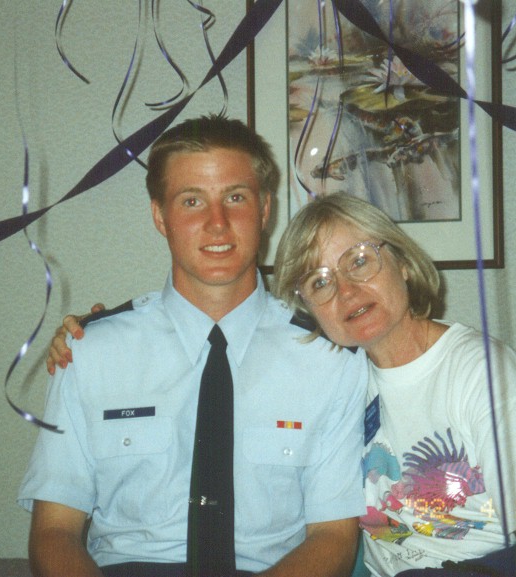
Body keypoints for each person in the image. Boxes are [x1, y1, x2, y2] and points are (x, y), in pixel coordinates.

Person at [47, 191, 516, 576]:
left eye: (360, 261)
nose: (346, 291)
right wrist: (88, 334)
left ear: (402, 262)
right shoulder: (340, 374)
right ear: (309, 309)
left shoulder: (484, 378)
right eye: (320, 282)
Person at [18, 116, 367, 577]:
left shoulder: (328, 358)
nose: (217, 223)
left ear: (265, 209)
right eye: (191, 201)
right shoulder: (90, 352)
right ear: (160, 216)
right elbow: (54, 530)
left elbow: (334, 537)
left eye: (235, 198)